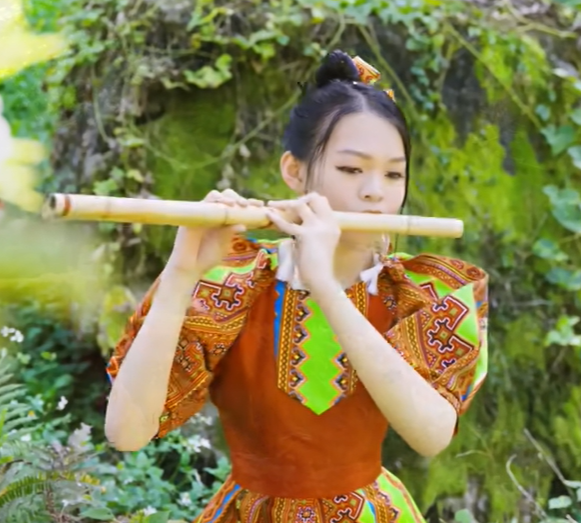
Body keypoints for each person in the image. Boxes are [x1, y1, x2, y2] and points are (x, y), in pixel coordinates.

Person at [103, 50, 489, 523]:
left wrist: (325, 284)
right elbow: (127, 433)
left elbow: (431, 434)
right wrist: (182, 272)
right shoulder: (235, 283)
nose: (375, 192)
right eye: (351, 170)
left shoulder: (424, 292)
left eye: (393, 173)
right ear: (294, 171)